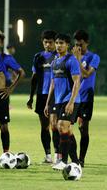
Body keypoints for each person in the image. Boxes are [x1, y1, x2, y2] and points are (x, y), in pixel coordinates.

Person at [44, 33, 81, 170]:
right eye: (57, 43)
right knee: (67, 131)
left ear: (67, 45)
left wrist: (71, 102)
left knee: (62, 127)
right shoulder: (54, 62)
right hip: (58, 100)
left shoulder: (71, 60)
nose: (59, 46)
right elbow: (52, 84)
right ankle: (76, 161)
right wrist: (48, 103)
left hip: (71, 99)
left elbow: (77, 81)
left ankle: (63, 162)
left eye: (62, 43)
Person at [27, 30, 59, 163]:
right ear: (42, 42)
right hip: (41, 94)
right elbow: (34, 78)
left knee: (54, 125)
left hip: (56, 95)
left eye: (50, 42)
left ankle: (58, 155)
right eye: (45, 42)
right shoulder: (38, 57)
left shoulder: (60, 56)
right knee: (44, 126)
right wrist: (31, 97)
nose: (48, 45)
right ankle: (48, 156)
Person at [72, 30, 99, 167]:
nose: (78, 47)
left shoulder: (93, 57)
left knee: (83, 127)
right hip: (72, 97)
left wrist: (78, 59)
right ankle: (72, 157)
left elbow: (87, 74)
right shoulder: (71, 57)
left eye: (81, 44)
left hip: (86, 97)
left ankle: (81, 159)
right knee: (65, 127)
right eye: (76, 45)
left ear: (86, 43)